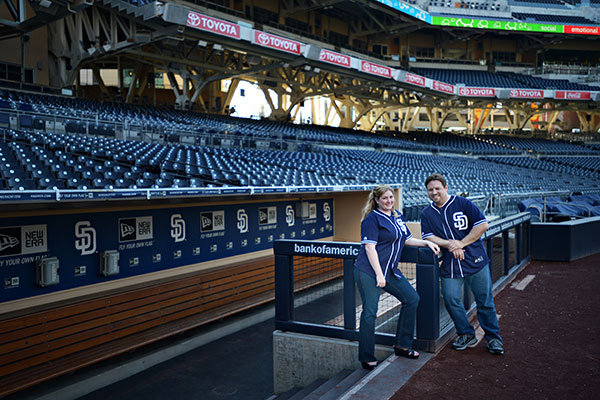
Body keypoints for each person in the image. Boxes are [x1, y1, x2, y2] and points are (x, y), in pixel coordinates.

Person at [354, 185, 440, 370]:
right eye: (384, 198)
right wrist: (378, 274)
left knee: (412, 299)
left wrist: (426, 241)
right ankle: (366, 356)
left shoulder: (397, 215)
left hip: (390, 271)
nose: (389, 201)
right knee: (370, 313)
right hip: (369, 271)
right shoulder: (372, 219)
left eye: (391, 197)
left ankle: (402, 345)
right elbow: (369, 248)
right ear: (376, 200)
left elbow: (407, 239)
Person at [420, 173, 504, 355]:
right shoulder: (426, 212)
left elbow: (483, 225)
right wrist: (451, 244)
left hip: (475, 260)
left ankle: (493, 337)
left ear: (446, 188)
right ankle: (466, 333)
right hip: (450, 264)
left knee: (485, 301)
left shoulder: (463, 203)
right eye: (430, 190)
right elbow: (428, 237)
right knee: (450, 298)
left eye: (437, 188)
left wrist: (462, 243)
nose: (434, 192)